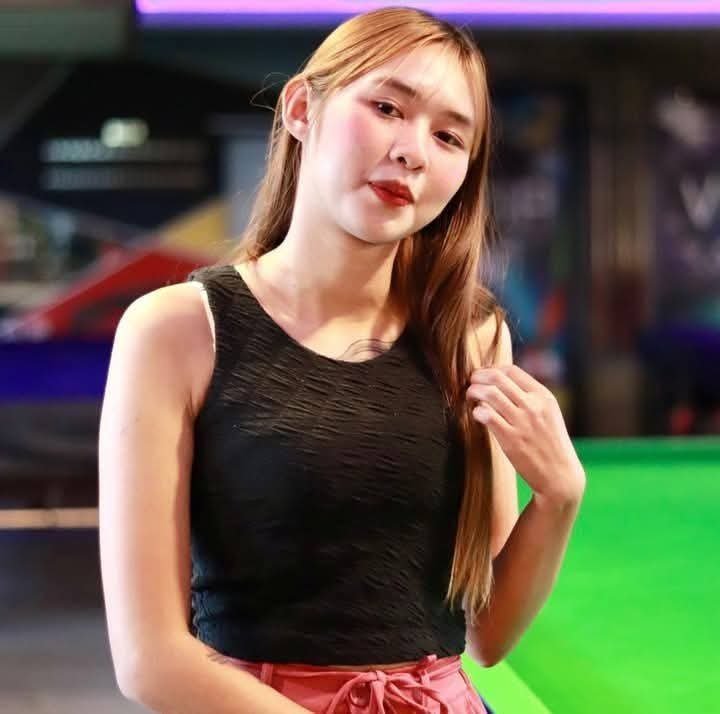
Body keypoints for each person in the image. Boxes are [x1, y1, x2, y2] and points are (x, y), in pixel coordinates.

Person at [98, 7, 586, 713]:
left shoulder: (472, 336)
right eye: (387, 108)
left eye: (449, 136)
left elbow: (487, 635)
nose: (413, 151)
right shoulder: (176, 329)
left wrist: (559, 498)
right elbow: (151, 660)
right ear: (302, 108)